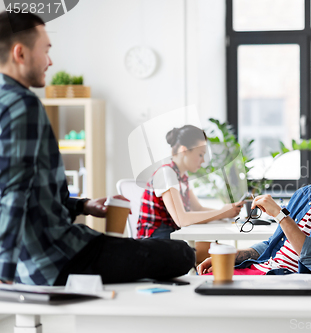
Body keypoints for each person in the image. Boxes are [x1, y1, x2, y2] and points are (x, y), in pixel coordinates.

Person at [0, 12, 194, 286]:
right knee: (182, 253)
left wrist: (85, 205)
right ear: (20, 53)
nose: (51, 61)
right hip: (58, 258)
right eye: (45, 50)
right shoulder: (23, 105)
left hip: (33, 262)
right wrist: (3, 277)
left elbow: (33, 196)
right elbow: (13, 193)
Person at [197, 123, 311, 276]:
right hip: (266, 268)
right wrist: (231, 256)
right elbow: (273, 245)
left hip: (290, 279)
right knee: (205, 278)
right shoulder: (304, 194)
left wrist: (280, 215)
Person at [136, 124, 243, 240]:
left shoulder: (183, 176)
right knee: (205, 248)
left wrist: (227, 212)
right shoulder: (166, 173)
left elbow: (198, 209)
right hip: (153, 241)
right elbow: (181, 219)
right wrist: (222, 213)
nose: (203, 161)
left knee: (207, 245)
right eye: (200, 154)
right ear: (184, 150)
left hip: (170, 236)